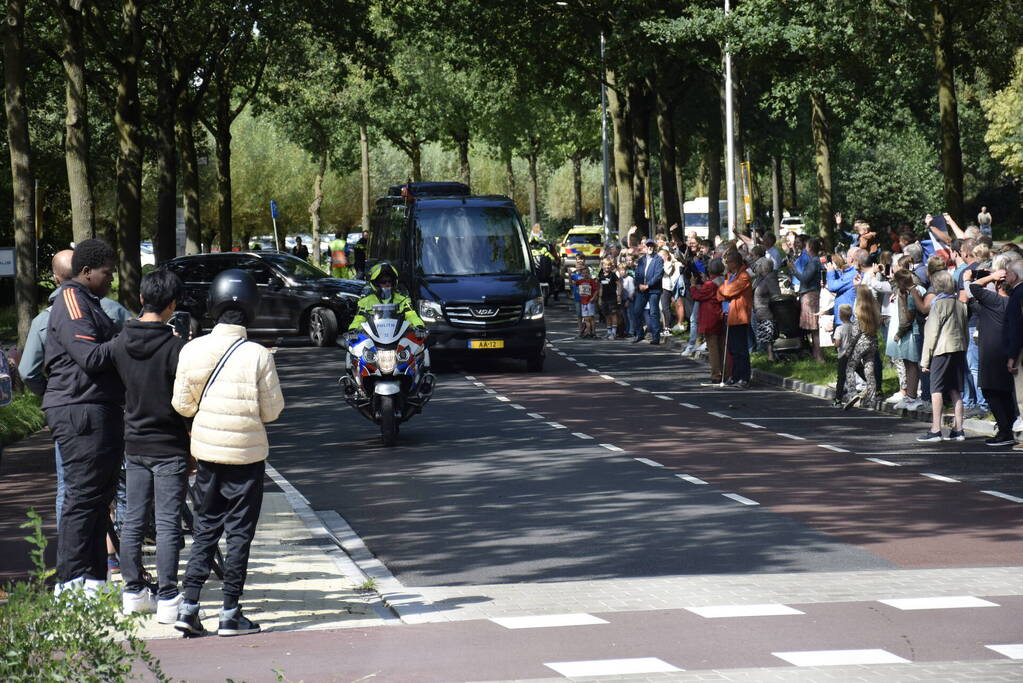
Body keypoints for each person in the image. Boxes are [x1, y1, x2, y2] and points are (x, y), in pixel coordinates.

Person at [171, 269, 285, 637]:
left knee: (205, 528)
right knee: (239, 534)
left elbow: (182, 406)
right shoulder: (257, 355)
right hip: (248, 458)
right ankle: (230, 611)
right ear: (252, 306)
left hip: (207, 455)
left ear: (213, 305)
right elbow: (272, 412)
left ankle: (188, 606)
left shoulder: (192, 349)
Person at [18, 249, 132, 529]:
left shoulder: (42, 320)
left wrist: (52, 393)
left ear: (56, 278)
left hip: (68, 412)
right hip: (108, 406)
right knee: (118, 481)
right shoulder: (112, 310)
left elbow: (27, 371)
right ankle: (123, 549)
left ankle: (74, 560)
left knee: (69, 486)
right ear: (86, 271)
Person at [43, 239, 125, 596]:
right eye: (107, 272)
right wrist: (132, 339)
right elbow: (90, 357)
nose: (112, 278)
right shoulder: (73, 301)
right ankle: (71, 584)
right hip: (80, 410)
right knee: (82, 497)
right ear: (87, 272)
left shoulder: (87, 300)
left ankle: (93, 581)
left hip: (95, 407)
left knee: (96, 498)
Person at [109, 269, 190, 623]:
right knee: (169, 523)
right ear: (172, 305)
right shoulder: (175, 348)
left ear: (141, 299)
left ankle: (132, 591)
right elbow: (186, 399)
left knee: (132, 521)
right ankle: (169, 598)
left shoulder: (119, 342)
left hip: (134, 442)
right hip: (170, 444)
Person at [966, 266, 1017, 446]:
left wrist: (990, 277)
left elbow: (973, 288)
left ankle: (1004, 431)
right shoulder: (1013, 302)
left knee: (989, 390)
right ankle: (1008, 428)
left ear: (998, 286)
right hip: (1007, 352)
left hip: (991, 353)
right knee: (1004, 392)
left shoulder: (995, 300)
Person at [918, 270, 969, 442]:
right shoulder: (960, 304)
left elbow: (931, 334)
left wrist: (925, 360)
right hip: (959, 348)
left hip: (941, 350)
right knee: (955, 389)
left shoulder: (937, 305)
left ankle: (936, 429)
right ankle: (959, 429)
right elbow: (964, 331)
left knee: (936, 389)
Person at [347, 262, 426, 334]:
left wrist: (418, 326)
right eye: (383, 282)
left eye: (389, 281)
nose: (387, 284)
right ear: (376, 283)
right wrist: (353, 329)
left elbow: (411, 315)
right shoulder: (365, 301)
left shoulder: (403, 300)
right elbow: (359, 319)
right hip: (373, 336)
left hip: (398, 335)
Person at [886, 270, 925, 411]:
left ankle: (913, 396)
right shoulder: (913, 290)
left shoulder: (912, 293)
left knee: (912, 364)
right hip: (911, 332)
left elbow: (908, 317)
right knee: (908, 363)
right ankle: (909, 395)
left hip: (912, 332)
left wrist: (899, 333)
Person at [717, 251, 753, 387]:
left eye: (729, 262)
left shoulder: (743, 276)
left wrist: (726, 291)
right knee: (732, 348)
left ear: (735, 263)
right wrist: (725, 290)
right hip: (729, 315)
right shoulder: (730, 276)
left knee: (741, 349)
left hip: (739, 316)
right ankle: (735, 375)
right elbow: (719, 294)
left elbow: (726, 291)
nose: (727, 265)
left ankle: (744, 377)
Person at [843, 286, 882, 410]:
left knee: (850, 367)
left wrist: (848, 350)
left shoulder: (860, 312)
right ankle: (871, 400)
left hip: (861, 343)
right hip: (873, 343)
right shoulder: (875, 311)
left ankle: (852, 394)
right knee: (869, 371)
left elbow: (855, 334)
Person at [692, 258, 725, 385]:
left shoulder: (710, 284)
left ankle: (716, 374)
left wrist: (693, 286)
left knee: (713, 347)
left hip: (710, 316)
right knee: (721, 346)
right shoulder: (722, 280)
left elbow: (698, 296)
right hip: (720, 314)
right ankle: (724, 371)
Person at [791, 237, 824, 361]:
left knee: (814, 327)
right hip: (812, 293)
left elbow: (804, 278)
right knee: (813, 327)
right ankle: (816, 354)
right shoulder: (816, 261)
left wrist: (793, 271)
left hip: (810, 295)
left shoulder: (813, 262)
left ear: (809, 248)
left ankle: (819, 356)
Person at [634, 239, 664, 344]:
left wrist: (647, 285)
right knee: (636, 311)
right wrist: (639, 285)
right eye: (648, 245)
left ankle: (656, 338)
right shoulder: (641, 260)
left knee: (654, 312)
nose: (650, 247)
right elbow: (637, 274)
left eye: (651, 245)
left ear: (654, 247)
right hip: (642, 289)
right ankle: (640, 334)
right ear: (645, 247)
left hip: (653, 290)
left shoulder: (659, 259)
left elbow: (658, 275)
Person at [752, 258, 781, 361]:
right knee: (765, 335)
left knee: (768, 335)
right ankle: (769, 355)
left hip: (766, 310)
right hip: (760, 310)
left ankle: (771, 356)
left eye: (758, 266)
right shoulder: (761, 278)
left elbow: (776, 295)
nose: (756, 268)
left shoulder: (769, 279)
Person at [833, 304, 856, 406]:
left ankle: (838, 400)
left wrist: (834, 344)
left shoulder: (839, 329)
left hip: (843, 355)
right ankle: (871, 385)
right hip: (855, 354)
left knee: (841, 377)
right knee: (859, 370)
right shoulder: (855, 327)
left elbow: (838, 343)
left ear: (840, 315)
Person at [598, 259, 621, 339]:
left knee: (613, 314)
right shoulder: (600, 274)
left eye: (609, 265)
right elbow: (600, 287)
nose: (607, 266)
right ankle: (609, 332)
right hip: (604, 298)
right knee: (607, 315)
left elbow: (619, 285)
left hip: (612, 298)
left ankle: (614, 333)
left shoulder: (613, 275)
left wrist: (619, 295)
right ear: (602, 266)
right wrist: (600, 298)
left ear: (611, 266)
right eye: (605, 265)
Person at [576, 266, 598, 338]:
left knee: (591, 317)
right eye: (583, 273)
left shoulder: (591, 281)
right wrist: (570, 274)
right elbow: (572, 283)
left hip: (590, 301)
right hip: (583, 302)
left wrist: (593, 298)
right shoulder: (580, 281)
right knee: (586, 318)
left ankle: (593, 332)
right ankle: (588, 332)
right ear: (581, 274)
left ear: (588, 273)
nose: (585, 274)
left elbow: (596, 290)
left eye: (586, 273)